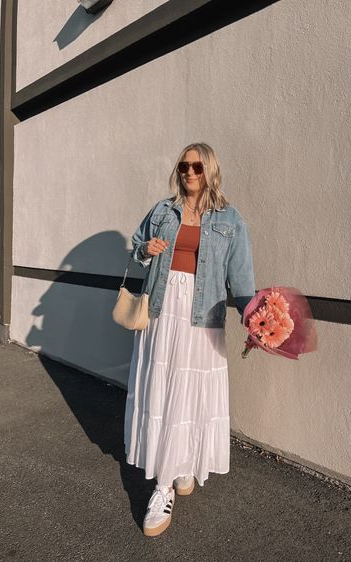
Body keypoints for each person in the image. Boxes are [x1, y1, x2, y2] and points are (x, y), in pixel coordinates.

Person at [124, 142, 255, 537]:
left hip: (203, 316)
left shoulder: (230, 220)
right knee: (164, 390)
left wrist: (257, 319)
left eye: (197, 166)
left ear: (210, 170)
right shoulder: (163, 210)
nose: (189, 172)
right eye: (184, 165)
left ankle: (180, 466)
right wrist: (146, 249)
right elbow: (135, 247)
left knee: (187, 392)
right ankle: (163, 485)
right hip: (163, 311)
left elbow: (242, 278)